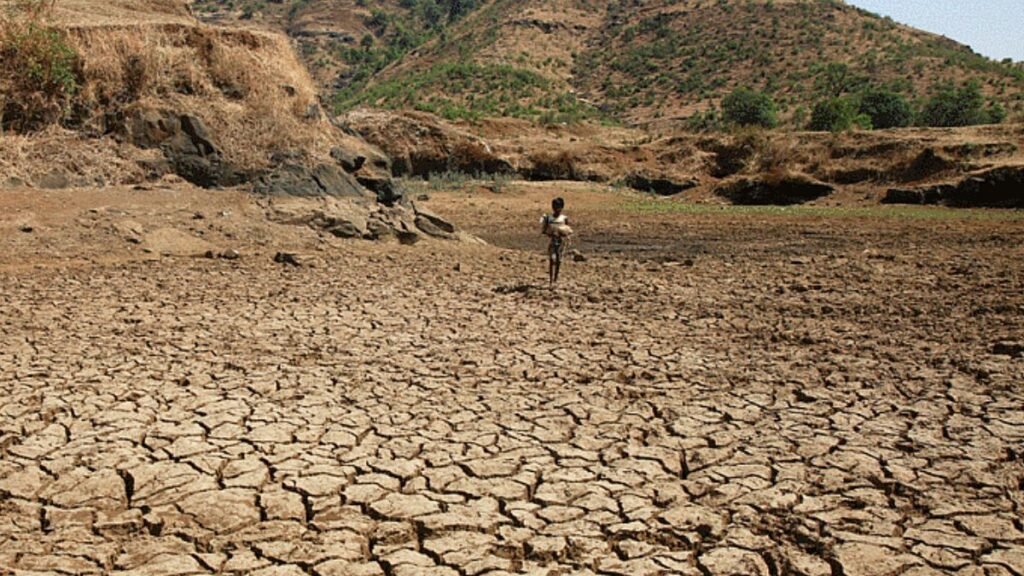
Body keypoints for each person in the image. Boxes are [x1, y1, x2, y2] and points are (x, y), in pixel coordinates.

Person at [541, 197, 572, 285]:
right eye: (554, 207)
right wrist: (551, 234)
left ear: (562, 207)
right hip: (553, 240)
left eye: (558, 207)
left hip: (561, 241)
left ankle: (555, 279)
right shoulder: (548, 218)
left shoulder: (564, 218)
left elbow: (567, 229)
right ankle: (551, 280)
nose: (556, 209)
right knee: (552, 259)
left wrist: (565, 236)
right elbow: (544, 231)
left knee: (559, 260)